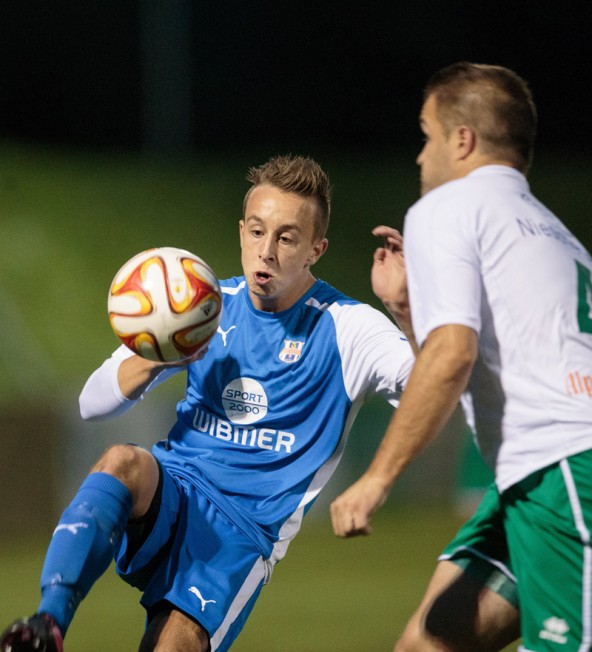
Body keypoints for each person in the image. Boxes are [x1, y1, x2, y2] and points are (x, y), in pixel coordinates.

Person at [0, 154, 414, 652]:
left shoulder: (348, 327)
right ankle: (47, 626)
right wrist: (162, 355)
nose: (266, 251)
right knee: (123, 462)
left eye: (286, 238)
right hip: (175, 489)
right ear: (241, 231)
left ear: (315, 250)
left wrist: (405, 309)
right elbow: (93, 402)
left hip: (242, 534)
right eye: (257, 232)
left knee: (172, 647)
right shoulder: (201, 304)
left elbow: (428, 387)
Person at [330, 62, 592, 652]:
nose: (421, 157)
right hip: (536, 477)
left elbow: (452, 355)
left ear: (462, 140)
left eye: (426, 136)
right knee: (430, 642)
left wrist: (376, 479)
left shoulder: (448, 208)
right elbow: (455, 360)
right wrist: (405, 306)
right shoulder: (551, 231)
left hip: (568, 472)